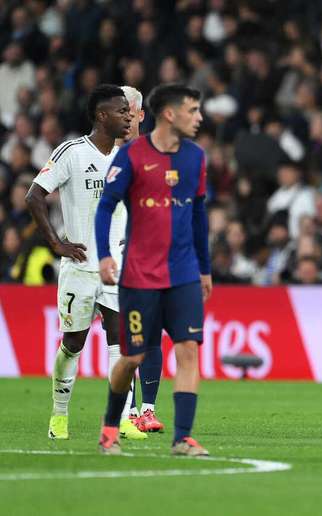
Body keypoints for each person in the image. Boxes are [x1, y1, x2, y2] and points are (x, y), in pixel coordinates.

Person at [25, 84, 147, 441]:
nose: (128, 116)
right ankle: (59, 414)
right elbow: (35, 196)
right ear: (101, 116)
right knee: (73, 343)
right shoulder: (71, 153)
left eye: (130, 111)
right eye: (122, 111)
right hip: (79, 267)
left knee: (121, 341)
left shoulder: (129, 157)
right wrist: (56, 243)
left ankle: (121, 419)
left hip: (116, 266)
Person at [95, 84, 211, 456]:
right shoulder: (132, 156)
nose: (200, 118)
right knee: (132, 358)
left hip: (184, 274)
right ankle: (111, 428)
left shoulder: (196, 158)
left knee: (189, 349)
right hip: (140, 276)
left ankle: (183, 437)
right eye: (193, 110)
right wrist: (103, 256)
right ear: (169, 114)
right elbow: (105, 207)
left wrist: (205, 269)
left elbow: (198, 215)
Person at [119, 85, 166, 434]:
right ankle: (121, 414)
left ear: (140, 115)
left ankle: (144, 410)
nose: (120, 118)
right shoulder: (97, 154)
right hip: (103, 260)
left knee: (148, 336)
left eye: (126, 111)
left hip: (144, 258)